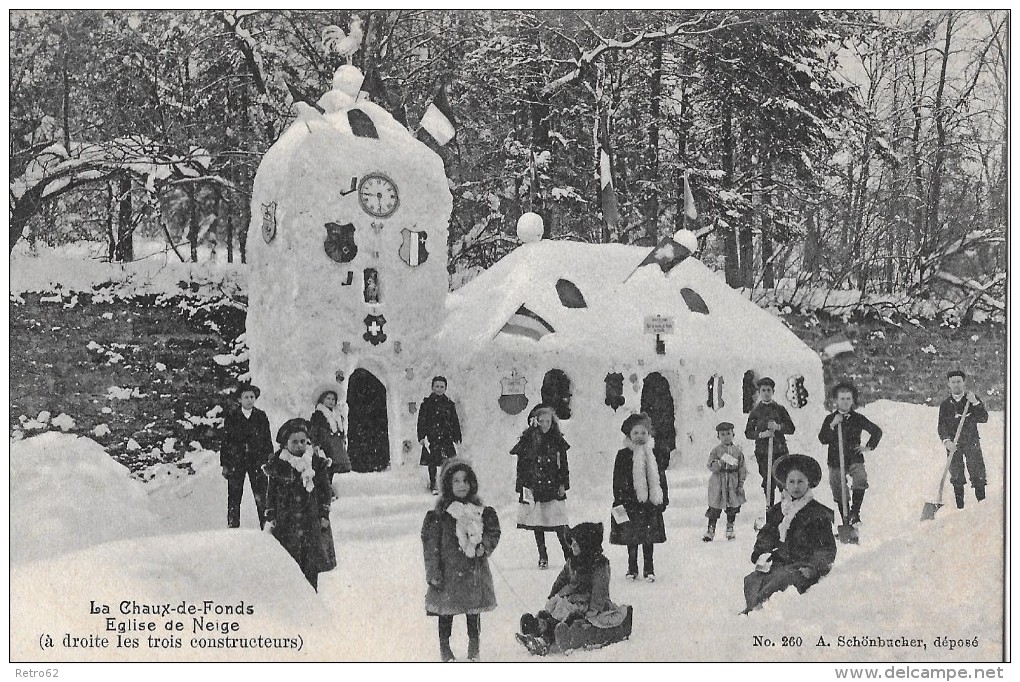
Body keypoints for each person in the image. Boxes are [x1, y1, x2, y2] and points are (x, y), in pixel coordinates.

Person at [421, 459, 500, 662]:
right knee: (446, 613)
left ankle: (474, 646)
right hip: (448, 574)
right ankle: (445, 648)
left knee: (473, 612)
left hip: (473, 571)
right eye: (456, 481)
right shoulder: (439, 516)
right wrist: (433, 573)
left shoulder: (480, 511)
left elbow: (493, 531)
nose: (462, 485)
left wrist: (485, 546)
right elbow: (431, 547)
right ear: (448, 485)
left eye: (465, 480)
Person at [743, 453, 836, 614]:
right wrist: (761, 552)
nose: (796, 486)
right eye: (791, 482)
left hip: (802, 565)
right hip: (781, 562)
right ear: (785, 484)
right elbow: (767, 534)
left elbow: (826, 549)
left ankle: (756, 611)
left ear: (809, 483)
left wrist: (813, 567)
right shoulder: (779, 510)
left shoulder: (817, 514)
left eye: (800, 481)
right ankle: (755, 607)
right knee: (753, 579)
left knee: (780, 580)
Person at [517, 522, 629, 653]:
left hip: (587, 604)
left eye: (576, 543)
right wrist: (553, 594)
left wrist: (594, 609)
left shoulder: (599, 564)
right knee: (553, 613)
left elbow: (600, 589)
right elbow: (562, 579)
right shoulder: (572, 561)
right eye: (572, 542)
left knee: (569, 618)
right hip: (570, 599)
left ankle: (545, 639)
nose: (573, 545)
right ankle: (536, 626)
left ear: (586, 545)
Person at [264, 418, 336, 591]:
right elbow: (271, 493)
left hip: (311, 521)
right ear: (285, 444)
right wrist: (271, 515)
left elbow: (325, 492)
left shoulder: (315, 464)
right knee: (289, 561)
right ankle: (293, 596)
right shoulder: (278, 465)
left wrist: (324, 514)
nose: (299, 445)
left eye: (303, 441)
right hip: (286, 522)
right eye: (294, 442)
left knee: (311, 561)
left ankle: (311, 593)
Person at [512, 404, 571, 569]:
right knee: (538, 522)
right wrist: (522, 487)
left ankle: (568, 553)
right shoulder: (528, 441)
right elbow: (522, 466)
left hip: (552, 486)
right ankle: (542, 555)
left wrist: (563, 484)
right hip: (535, 485)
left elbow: (564, 465)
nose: (544, 424)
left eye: (548, 421)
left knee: (559, 522)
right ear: (535, 421)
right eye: (541, 421)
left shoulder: (557, 440)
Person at [610, 413, 667, 582]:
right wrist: (620, 499)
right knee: (632, 537)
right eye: (636, 433)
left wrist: (663, 497)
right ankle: (632, 567)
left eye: (643, 433)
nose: (640, 437)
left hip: (649, 503)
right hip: (630, 502)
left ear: (649, 434)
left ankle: (649, 568)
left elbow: (660, 477)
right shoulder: (623, 455)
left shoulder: (653, 454)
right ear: (629, 435)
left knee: (648, 538)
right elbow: (617, 479)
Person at [817, 382, 883, 525]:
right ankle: (845, 520)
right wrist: (833, 425)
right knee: (838, 487)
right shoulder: (830, 419)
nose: (845, 402)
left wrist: (868, 447)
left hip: (854, 457)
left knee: (861, 478)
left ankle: (854, 513)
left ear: (853, 400)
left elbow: (876, 431)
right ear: (836, 401)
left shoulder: (858, 418)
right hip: (835, 459)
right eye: (842, 399)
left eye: (848, 399)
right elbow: (822, 439)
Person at [220, 383, 274, 529]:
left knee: (262, 494)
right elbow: (226, 441)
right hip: (236, 461)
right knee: (234, 495)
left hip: (257, 461)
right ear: (240, 399)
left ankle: (266, 525)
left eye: (252, 397)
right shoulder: (232, 416)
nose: (250, 400)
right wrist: (225, 464)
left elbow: (267, 440)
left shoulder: (261, 416)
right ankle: (233, 525)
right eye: (246, 397)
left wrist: (269, 460)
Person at [937, 370, 990, 508]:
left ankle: (982, 504)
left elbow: (984, 418)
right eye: (953, 382)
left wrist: (976, 403)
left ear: (964, 383)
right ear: (949, 384)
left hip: (971, 441)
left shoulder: (971, 399)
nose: (956, 385)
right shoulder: (945, 405)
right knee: (956, 475)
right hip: (953, 444)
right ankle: (960, 507)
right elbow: (941, 426)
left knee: (977, 472)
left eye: (959, 381)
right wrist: (946, 441)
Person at [744, 377, 796, 504]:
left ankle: (787, 509)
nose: (766, 393)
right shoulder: (755, 412)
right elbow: (748, 433)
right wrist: (761, 434)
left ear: (773, 391)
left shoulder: (780, 409)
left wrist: (778, 427)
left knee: (783, 480)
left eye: (768, 390)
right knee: (768, 481)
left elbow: (791, 428)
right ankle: (770, 508)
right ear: (759, 392)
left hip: (779, 450)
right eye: (763, 390)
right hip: (763, 452)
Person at [417, 376, 463, 495]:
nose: (439, 389)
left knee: (452, 461)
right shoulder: (426, 404)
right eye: (437, 386)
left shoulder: (449, 404)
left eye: (442, 387)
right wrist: (421, 436)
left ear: (445, 388)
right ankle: (433, 484)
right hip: (433, 437)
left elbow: (454, 421)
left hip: (446, 437)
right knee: (432, 461)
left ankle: (451, 484)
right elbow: (421, 421)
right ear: (432, 387)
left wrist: (457, 435)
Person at [704, 421, 748, 541]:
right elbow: (710, 465)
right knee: (714, 507)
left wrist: (740, 484)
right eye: (722, 434)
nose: (726, 437)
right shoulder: (716, 451)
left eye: (728, 433)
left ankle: (730, 528)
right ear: (718, 436)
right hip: (718, 482)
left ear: (733, 434)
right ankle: (710, 530)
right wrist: (719, 463)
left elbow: (742, 468)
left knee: (732, 507)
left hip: (732, 482)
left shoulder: (738, 452)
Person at [309, 388, 350, 498]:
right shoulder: (318, 415)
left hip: (335, 445)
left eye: (333, 399)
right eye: (328, 399)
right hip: (325, 445)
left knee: (332, 468)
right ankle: (325, 492)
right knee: (324, 468)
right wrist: (315, 444)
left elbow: (341, 429)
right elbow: (314, 430)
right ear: (322, 400)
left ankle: (329, 489)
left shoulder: (337, 414)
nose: (331, 401)